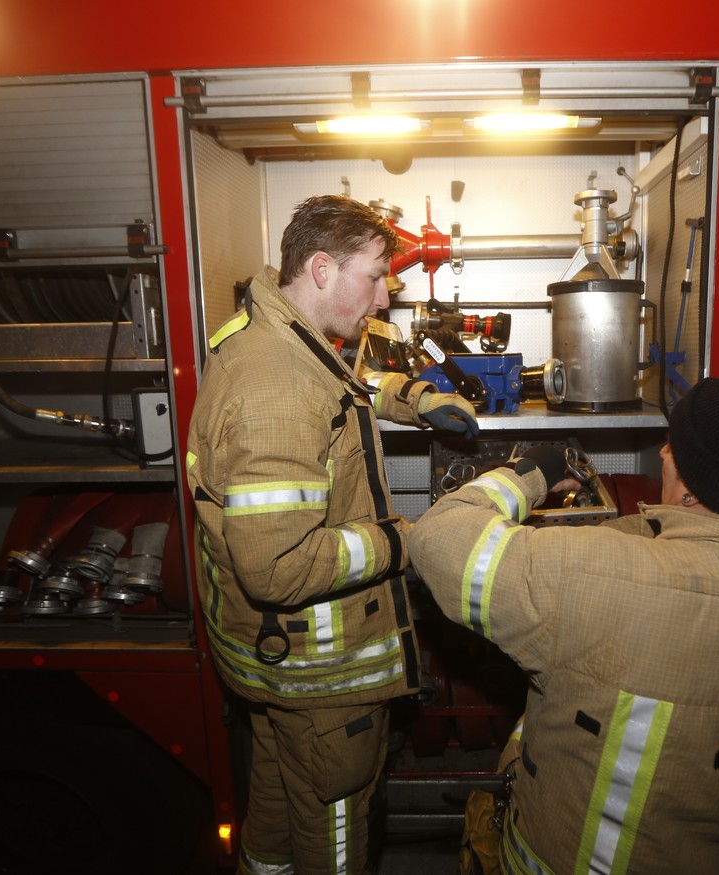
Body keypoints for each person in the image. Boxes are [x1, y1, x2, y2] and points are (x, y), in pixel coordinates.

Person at [409, 376, 719, 874]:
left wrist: (529, 473)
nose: (664, 452)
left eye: (676, 447)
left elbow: (438, 537)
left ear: (695, 487)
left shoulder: (591, 574)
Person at [186, 194, 480, 875]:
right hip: (320, 680)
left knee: (278, 800)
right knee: (334, 833)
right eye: (374, 277)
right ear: (321, 268)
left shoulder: (274, 332)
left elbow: (340, 382)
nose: (382, 299)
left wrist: (415, 398)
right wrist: (403, 541)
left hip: (275, 668)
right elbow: (278, 567)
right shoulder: (276, 390)